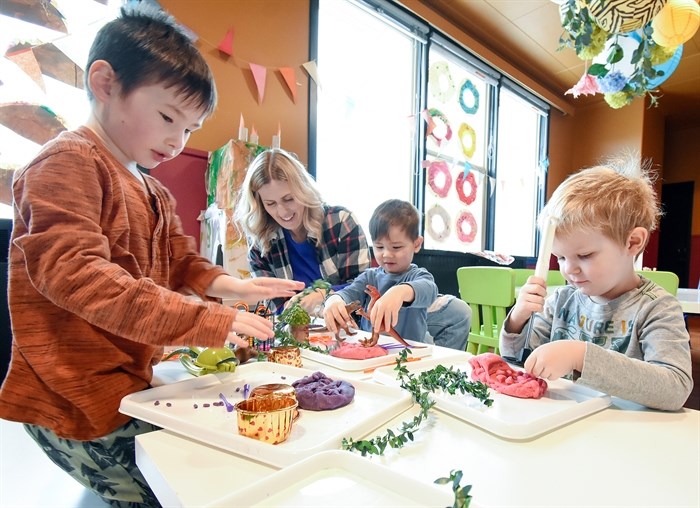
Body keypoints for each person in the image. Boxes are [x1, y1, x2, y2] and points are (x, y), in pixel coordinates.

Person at [0, 6, 302, 507]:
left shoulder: (153, 190)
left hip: (125, 384)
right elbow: (78, 275)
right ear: (104, 83)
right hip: (70, 399)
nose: (177, 141)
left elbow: (182, 260)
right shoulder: (66, 163)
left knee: (212, 460)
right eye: (167, 118)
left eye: (190, 129)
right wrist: (206, 317)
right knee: (173, 492)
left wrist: (231, 287)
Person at [500, 155, 693, 411]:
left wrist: (581, 356)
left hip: (627, 436)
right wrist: (518, 320)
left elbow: (675, 389)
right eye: (560, 257)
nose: (569, 269)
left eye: (585, 255)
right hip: (563, 427)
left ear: (633, 242)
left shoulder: (657, 308)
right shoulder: (561, 300)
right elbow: (516, 360)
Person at [234, 148, 470, 350]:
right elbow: (280, 309)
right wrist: (326, 302)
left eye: (288, 199)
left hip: (360, 318)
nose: (283, 212)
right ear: (259, 204)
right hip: (316, 329)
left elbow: (361, 287)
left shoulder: (340, 221)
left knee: (456, 313)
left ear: (302, 190)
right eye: (271, 204)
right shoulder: (262, 245)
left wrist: (325, 295)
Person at [323, 199, 437, 342]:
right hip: (372, 352)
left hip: (408, 355)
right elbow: (348, 292)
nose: (387, 254)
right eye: (379, 247)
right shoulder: (369, 277)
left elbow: (429, 290)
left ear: (416, 244)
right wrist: (334, 300)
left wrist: (400, 292)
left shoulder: (418, 276)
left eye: (396, 247)